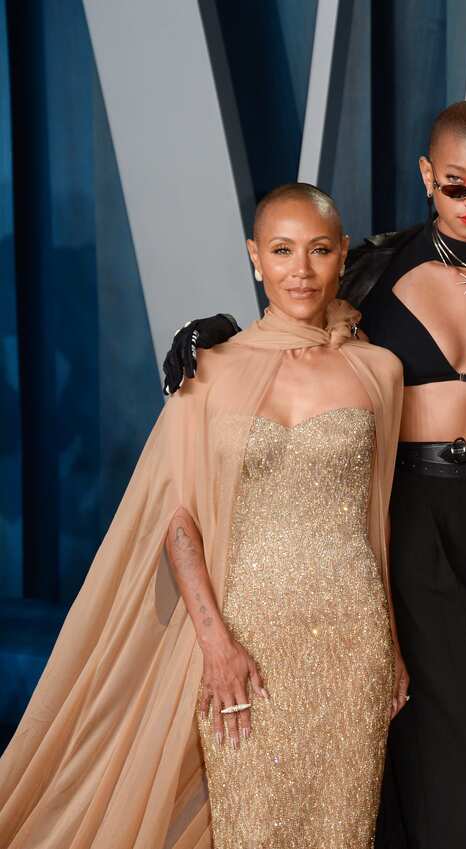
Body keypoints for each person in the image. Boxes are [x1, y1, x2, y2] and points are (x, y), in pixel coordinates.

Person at [161, 102, 466, 849]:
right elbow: (301, 315)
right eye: (456, 185)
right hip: (417, 516)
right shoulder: (376, 267)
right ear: (427, 176)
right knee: (464, 741)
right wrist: (221, 335)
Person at [0, 183, 408, 849]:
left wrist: (392, 645)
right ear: (255, 257)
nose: (301, 270)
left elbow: (377, 522)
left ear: (342, 255)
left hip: (351, 638)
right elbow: (177, 519)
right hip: (244, 636)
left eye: (319, 250)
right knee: (250, 827)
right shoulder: (208, 369)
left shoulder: (380, 371)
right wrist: (216, 644)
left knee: (342, 830)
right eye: (282, 250)